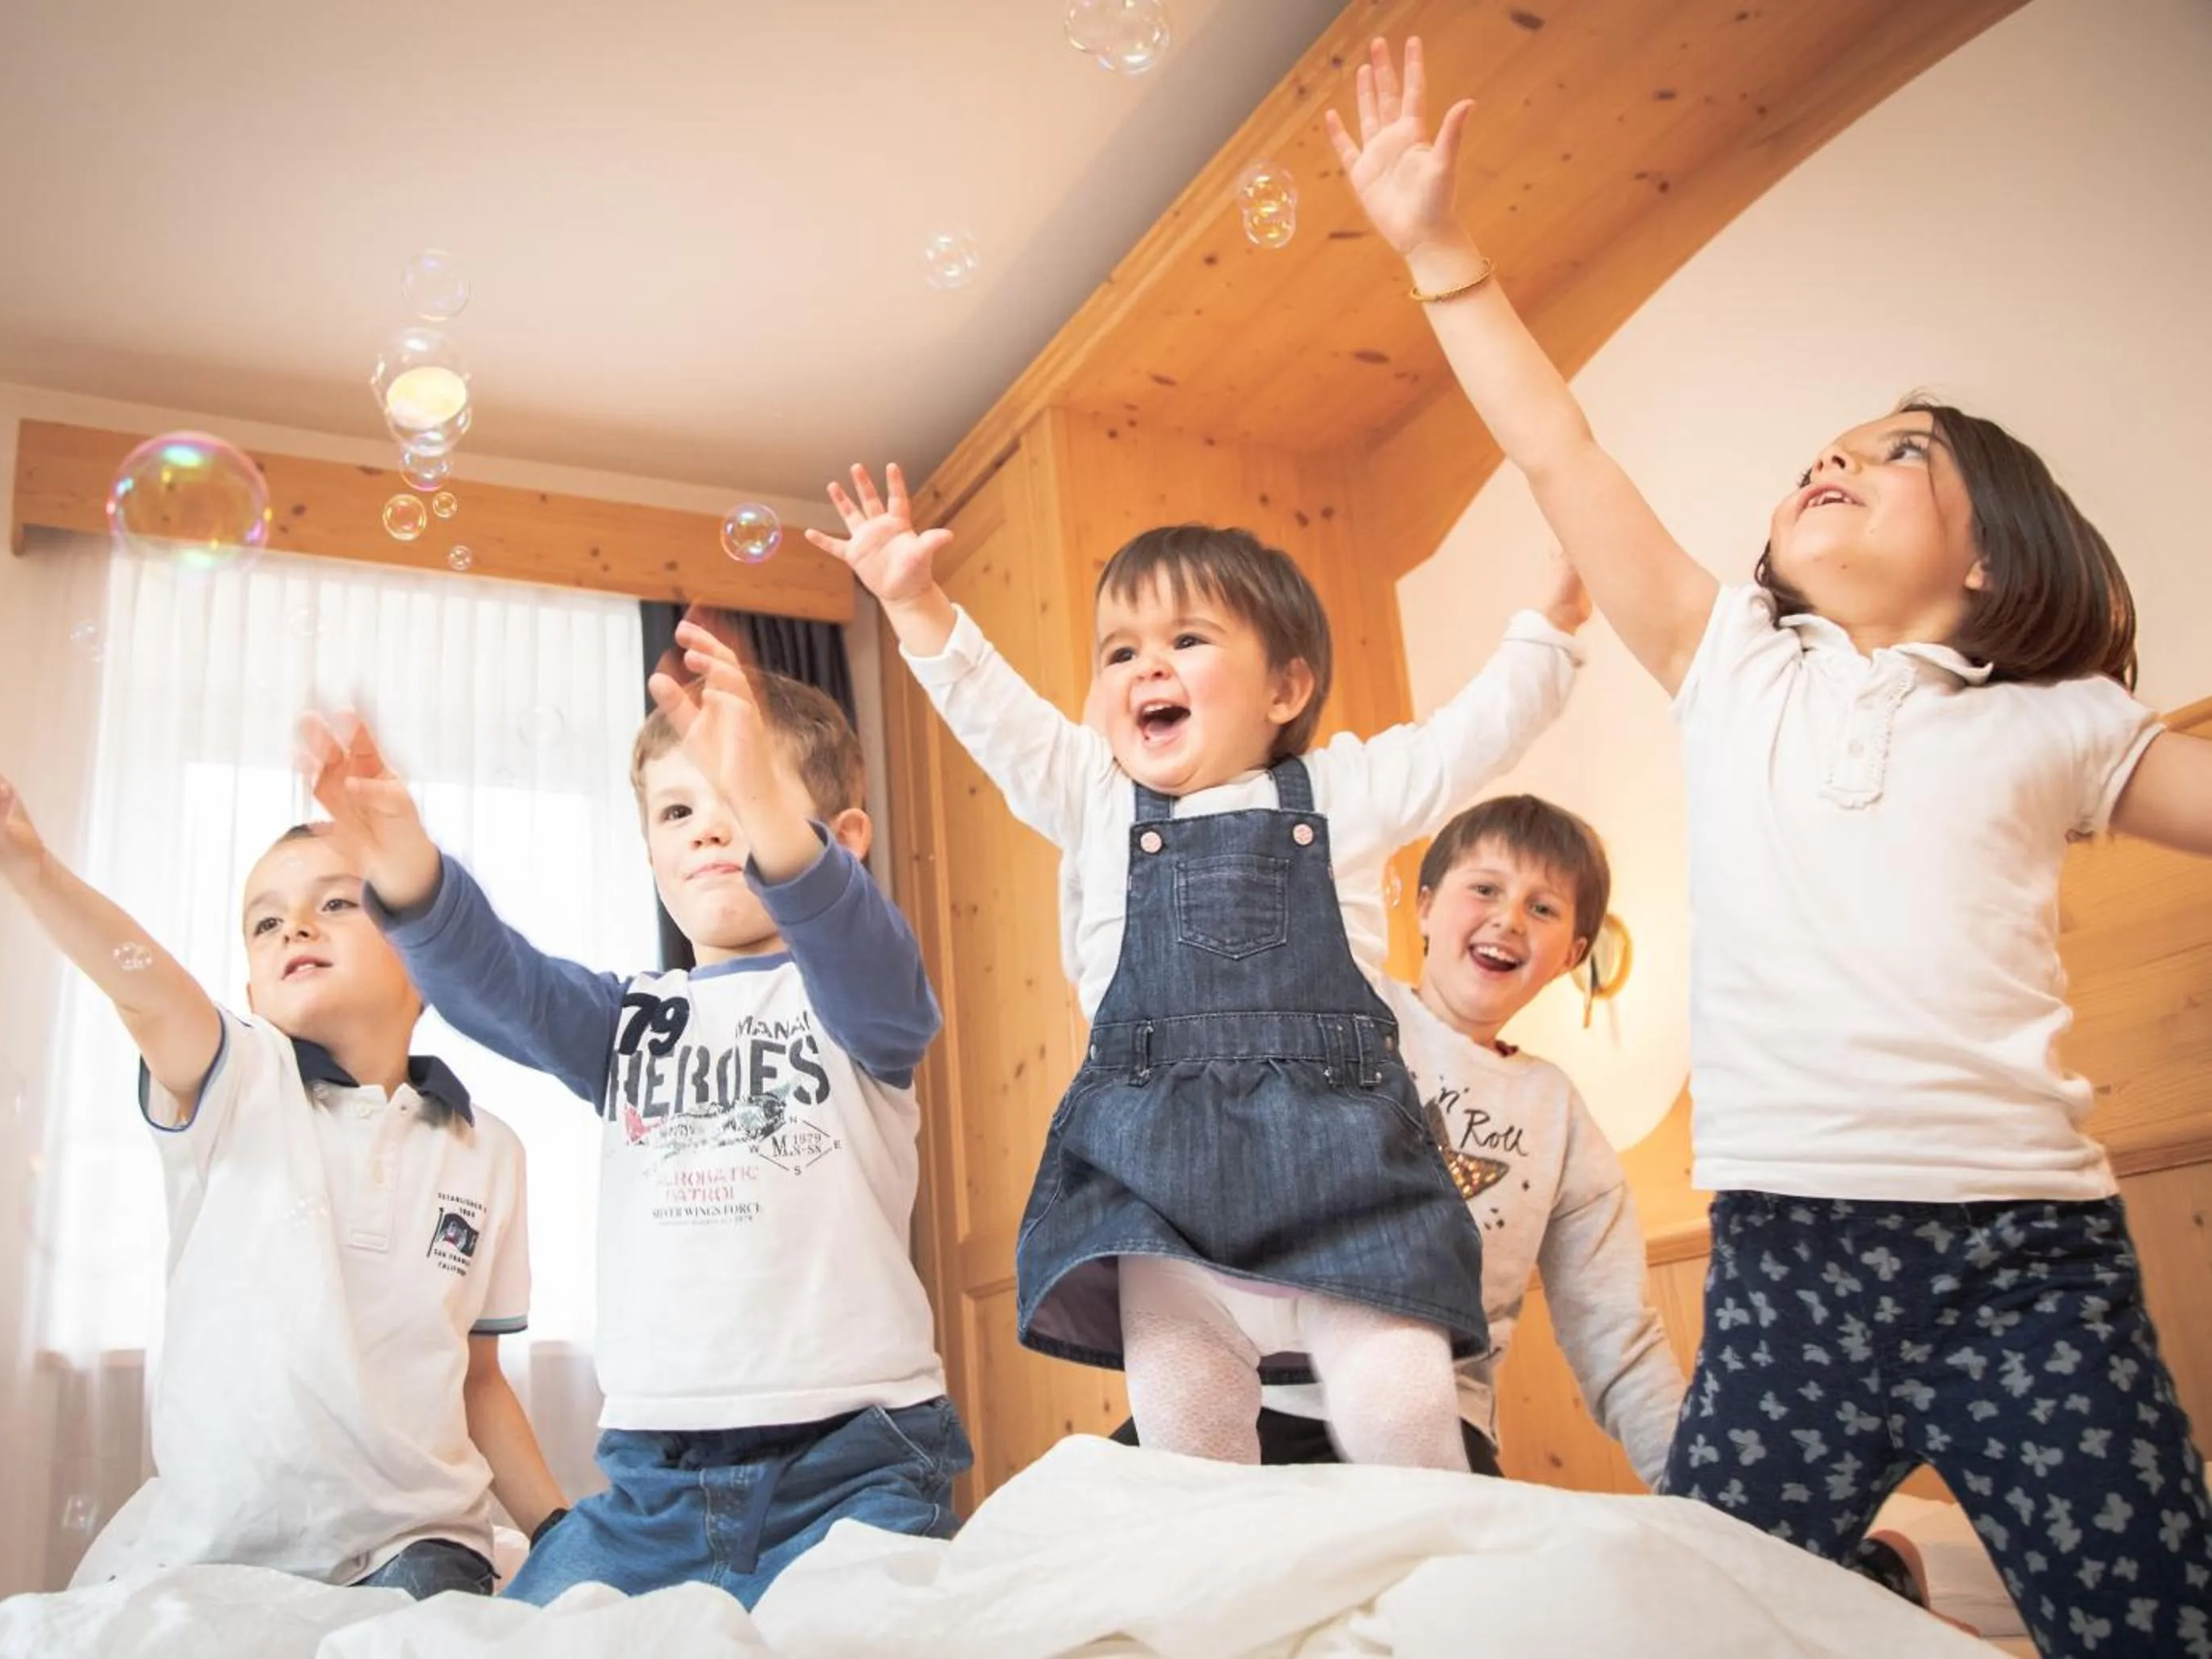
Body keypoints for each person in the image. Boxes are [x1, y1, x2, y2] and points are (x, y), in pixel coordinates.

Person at [1327, 36, 2212, 1653]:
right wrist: (1445, 258)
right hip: (1790, 1256)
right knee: (1699, 1609)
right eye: (1832, 443)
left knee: (2151, 1610)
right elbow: (1562, 453)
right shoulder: (1731, 658)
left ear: (1998, 558)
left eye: (1900, 453)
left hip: (2030, 1257)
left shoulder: (2060, 718)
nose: (1842, 456)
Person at [812, 464, 1587, 1469]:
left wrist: (1555, 622)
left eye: (1186, 640)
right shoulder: (1092, 794)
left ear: (1286, 686)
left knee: (1402, 1410)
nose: (1146, 668)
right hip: (1159, 1195)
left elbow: (1469, 736)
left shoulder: (1340, 791)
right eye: (1121, 650)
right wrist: (914, 599)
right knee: (1191, 1443)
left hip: (1344, 1185)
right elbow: (991, 711)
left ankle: (1436, 1598)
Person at [298, 622, 968, 1609]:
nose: (706, 828)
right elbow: (504, 983)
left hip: (858, 1463)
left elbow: (865, 955)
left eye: (737, 801)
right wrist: (401, 854)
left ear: (843, 840)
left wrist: (777, 824)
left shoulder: (857, 1002)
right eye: (678, 809)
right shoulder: (628, 1023)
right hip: (655, 1483)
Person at [0, 697, 561, 1599]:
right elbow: (148, 990)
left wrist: (559, 1532)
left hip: (418, 1538)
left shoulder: (492, 1152)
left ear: (423, 958)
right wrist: (24, 857)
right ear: (250, 981)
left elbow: (480, 1382)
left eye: (337, 902)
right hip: (221, 1539)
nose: (296, 927)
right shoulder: (238, 1078)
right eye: (266, 920)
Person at [1113, 794, 1685, 1492]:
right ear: (1423, 907)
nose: (1508, 918)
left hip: (1437, 1427)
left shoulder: (1558, 1114)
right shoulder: (1341, 1013)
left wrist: (1701, 1495)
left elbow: (1616, 1338)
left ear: (1572, 954)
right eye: (1485, 888)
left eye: (1543, 907)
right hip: (1264, 1396)